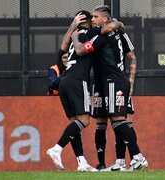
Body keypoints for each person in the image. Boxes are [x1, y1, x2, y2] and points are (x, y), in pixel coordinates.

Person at [71, 5, 147, 171]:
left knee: (119, 120)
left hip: (114, 81)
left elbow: (80, 50)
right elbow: (116, 26)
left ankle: (137, 156)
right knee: (112, 121)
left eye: (95, 17)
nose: (92, 19)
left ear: (105, 20)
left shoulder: (101, 34)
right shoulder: (113, 30)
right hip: (104, 83)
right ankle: (120, 162)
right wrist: (117, 23)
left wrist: (75, 37)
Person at [46, 10, 125, 172]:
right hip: (77, 81)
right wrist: (118, 23)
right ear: (87, 21)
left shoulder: (74, 33)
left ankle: (81, 162)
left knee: (75, 123)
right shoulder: (89, 33)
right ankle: (56, 149)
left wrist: (72, 27)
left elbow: (62, 47)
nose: (94, 21)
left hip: (65, 81)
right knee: (85, 120)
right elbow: (108, 28)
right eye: (93, 19)